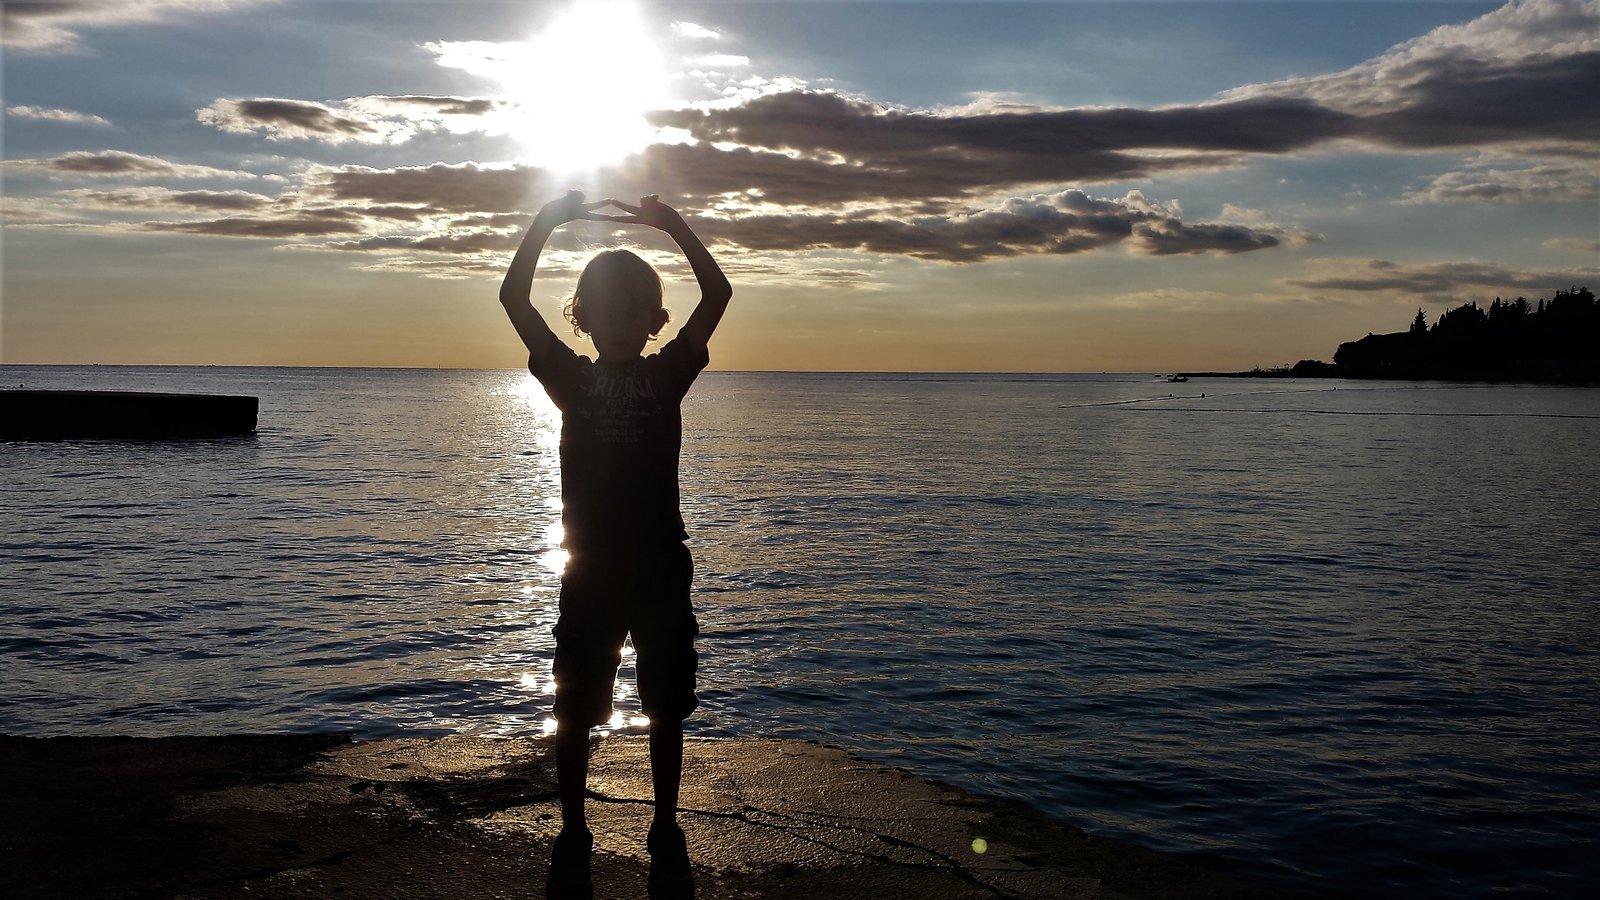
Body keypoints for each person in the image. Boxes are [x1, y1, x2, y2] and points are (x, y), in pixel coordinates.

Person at [499, 190, 732, 899]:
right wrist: (548, 222)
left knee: (666, 703)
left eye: (637, 311)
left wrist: (672, 226)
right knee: (576, 704)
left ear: (656, 320)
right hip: (591, 570)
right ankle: (574, 826)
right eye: (608, 310)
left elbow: (719, 291)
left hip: (661, 565)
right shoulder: (569, 376)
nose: (623, 322)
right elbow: (512, 296)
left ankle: (666, 821)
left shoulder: (668, 374)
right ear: (586, 318)